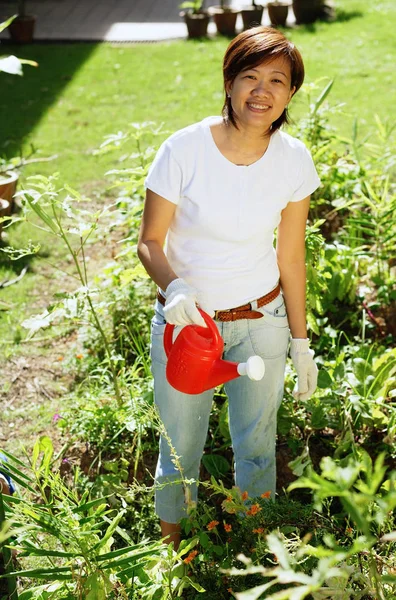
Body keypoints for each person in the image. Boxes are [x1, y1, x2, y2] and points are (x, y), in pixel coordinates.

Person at [137, 26, 320, 550]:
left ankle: (253, 552)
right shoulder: (184, 149)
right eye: (251, 77)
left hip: (261, 322)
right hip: (189, 327)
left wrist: (301, 343)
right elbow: (150, 242)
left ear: (290, 93)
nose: (262, 92)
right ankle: (174, 558)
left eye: (277, 81)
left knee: (258, 446)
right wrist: (174, 290)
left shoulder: (294, 160)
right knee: (181, 449)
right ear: (229, 81)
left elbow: (290, 256)